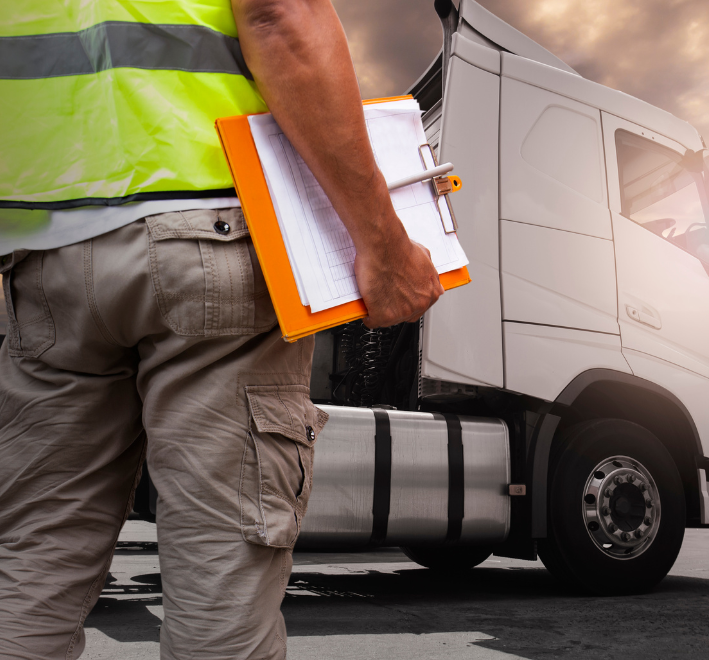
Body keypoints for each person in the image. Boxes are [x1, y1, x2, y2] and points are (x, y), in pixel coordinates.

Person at [0, 0, 444, 657]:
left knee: (34, 566)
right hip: (205, 223)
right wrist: (380, 240)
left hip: (46, 245)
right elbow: (277, 14)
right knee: (221, 578)